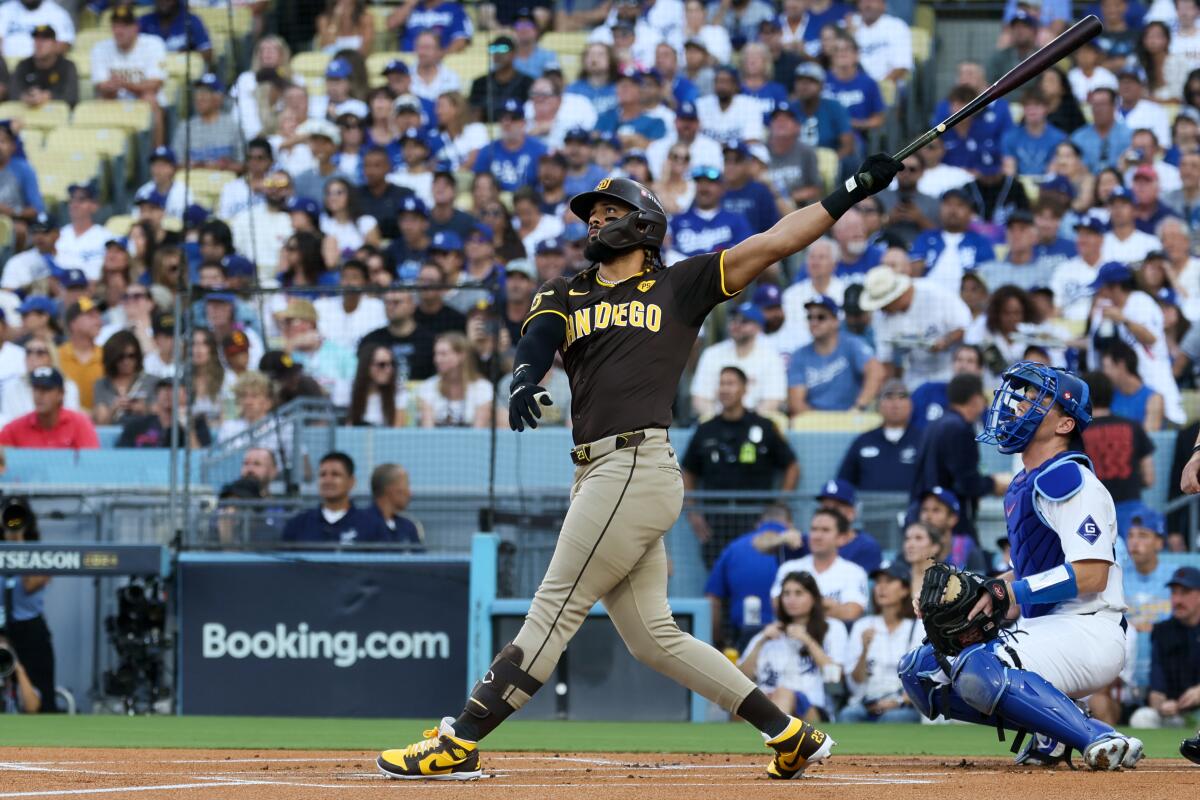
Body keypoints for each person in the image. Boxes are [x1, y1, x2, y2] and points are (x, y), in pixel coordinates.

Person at [377, 155, 904, 778]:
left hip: (634, 462)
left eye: (610, 212)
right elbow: (538, 338)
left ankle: (458, 740)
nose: (596, 222)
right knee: (653, 637)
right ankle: (788, 733)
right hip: (602, 472)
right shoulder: (566, 290)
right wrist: (523, 377)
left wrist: (849, 192)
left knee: (555, 607)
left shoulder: (680, 285)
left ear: (645, 225)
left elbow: (775, 241)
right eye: (591, 216)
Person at [901, 360, 1145, 770]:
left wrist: (1010, 592)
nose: (1017, 406)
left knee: (982, 667)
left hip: (1091, 627)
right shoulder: (1025, 481)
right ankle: (1057, 729)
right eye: (1022, 398)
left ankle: (1096, 738)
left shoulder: (1069, 479)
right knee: (922, 671)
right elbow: (1029, 575)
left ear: (1066, 425)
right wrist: (978, 592)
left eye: (1035, 401)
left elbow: (1091, 573)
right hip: (1046, 629)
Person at [681, 366, 799, 567]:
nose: (725, 389)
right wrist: (693, 511)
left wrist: (779, 505)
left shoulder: (764, 426)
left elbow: (792, 466)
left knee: (756, 571)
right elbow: (687, 470)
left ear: (745, 389)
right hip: (716, 522)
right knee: (719, 578)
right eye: (721, 384)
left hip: (756, 520)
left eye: (731, 383)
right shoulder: (705, 430)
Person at [738, 571, 848, 722]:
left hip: (811, 706)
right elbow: (740, 679)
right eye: (786, 594)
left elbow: (834, 677)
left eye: (799, 593)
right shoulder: (767, 634)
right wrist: (761, 642)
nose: (791, 599)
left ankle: (772, 737)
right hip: (766, 700)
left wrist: (808, 641)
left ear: (814, 598)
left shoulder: (832, 628)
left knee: (784, 693)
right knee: (743, 702)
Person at [910, 372, 1008, 538]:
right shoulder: (959, 428)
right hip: (949, 526)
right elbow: (966, 482)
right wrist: (994, 484)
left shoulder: (933, 425)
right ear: (976, 399)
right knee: (966, 563)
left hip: (927, 519)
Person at [1089, 261, 1183, 425]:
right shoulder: (1107, 308)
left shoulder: (1141, 302)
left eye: (1102, 287)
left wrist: (1124, 320)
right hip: (1125, 389)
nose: (1100, 292)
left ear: (1116, 287)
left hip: (1155, 382)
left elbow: (1151, 339)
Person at [857, 265, 972, 390]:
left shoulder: (934, 293)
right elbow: (886, 359)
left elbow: (965, 326)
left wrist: (945, 341)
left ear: (896, 296)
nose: (881, 309)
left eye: (884, 305)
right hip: (915, 374)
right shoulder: (881, 316)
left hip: (951, 368)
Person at [840, 560, 922, 723]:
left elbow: (924, 679)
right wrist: (864, 650)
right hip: (867, 701)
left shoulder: (918, 626)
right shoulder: (862, 625)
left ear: (905, 589)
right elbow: (855, 682)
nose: (881, 587)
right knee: (848, 714)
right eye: (878, 582)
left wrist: (898, 701)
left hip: (903, 704)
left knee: (894, 717)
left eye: (889, 581)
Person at [705, 503, 792, 650]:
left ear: (758, 524)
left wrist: (718, 641)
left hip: (744, 635)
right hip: (789, 634)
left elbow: (712, 600)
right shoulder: (798, 547)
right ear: (790, 524)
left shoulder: (734, 548)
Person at [1080, 371, 1155, 537]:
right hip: (1131, 511)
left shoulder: (1078, 433)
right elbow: (1150, 479)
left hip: (1091, 512)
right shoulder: (1133, 427)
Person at [769, 507, 868, 624]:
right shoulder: (789, 567)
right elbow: (777, 606)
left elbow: (851, 613)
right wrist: (826, 605)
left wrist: (801, 607)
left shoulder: (854, 572)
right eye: (814, 529)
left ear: (842, 538)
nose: (817, 536)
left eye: (825, 530)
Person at [787, 295, 883, 414]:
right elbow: (796, 403)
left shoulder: (852, 344)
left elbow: (876, 372)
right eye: (810, 317)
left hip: (850, 419)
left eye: (821, 317)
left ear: (835, 321)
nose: (814, 322)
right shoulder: (799, 355)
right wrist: (822, 423)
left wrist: (859, 407)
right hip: (813, 424)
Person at [1119, 506, 1174, 704]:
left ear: (1159, 542)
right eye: (1131, 535)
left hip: (1165, 680)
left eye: (1143, 535)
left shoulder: (1176, 578)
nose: (1134, 542)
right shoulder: (1117, 576)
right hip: (1124, 678)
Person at [1135, 566, 1200, 728]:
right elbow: (1156, 685)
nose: (1177, 600)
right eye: (1174, 593)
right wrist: (1161, 704)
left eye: (1184, 593)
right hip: (1173, 713)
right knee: (1141, 718)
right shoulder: (1162, 631)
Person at [281, 452, 388, 544]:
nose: (327, 480)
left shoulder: (372, 525)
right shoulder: (298, 524)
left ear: (351, 482)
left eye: (335, 475)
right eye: (322, 475)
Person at [836, 378, 920, 492]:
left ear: (911, 405)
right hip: (870, 508)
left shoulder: (923, 441)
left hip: (910, 508)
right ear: (879, 405)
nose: (895, 404)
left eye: (902, 397)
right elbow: (844, 482)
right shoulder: (863, 441)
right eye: (889, 397)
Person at [0, 366, 97, 449]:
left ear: (61, 393)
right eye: (36, 389)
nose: (39, 395)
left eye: (46, 389)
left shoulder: (79, 424)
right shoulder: (15, 428)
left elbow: (91, 463)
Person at [416, 331, 492, 428]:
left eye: (443, 354)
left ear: (461, 355)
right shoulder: (428, 387)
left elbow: (478, 432)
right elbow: (428, 433)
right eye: (436, 354)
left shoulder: (483, 388)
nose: (437, 359)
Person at [170, 73, 244, 171]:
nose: (199, 98)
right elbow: (174, 164)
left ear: (218, 97)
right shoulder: (186, 127)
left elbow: (244, 164)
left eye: (204, 93)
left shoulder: (232, 126)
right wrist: (199, 165)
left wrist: (226, 166)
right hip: (194, 181)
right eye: (197, 92)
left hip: (224, 182)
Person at [115, 378, 211, 449]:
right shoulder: (137, 425)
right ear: (156, 395)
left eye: (173, 389)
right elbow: (120, 454)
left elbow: (199, 460)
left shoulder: (198, 424)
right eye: (163, 389)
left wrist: (189, 429)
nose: (167, 393)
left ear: (186, 395)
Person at [364, 463, 424, 546]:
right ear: (391, 489)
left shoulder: (408, 527)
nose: (410, 493)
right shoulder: (361, 524)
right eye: (406, 485)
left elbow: (420, 557)